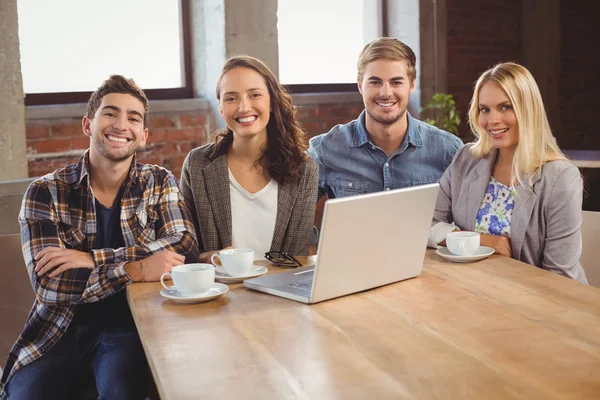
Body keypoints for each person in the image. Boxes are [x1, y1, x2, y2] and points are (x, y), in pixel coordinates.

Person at [0, 75, 200, 399]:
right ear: (87, 124)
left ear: (144, 135)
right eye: (110, 113)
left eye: (133, 117)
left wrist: (93, 258)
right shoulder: (45, 191)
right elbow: (50, 284)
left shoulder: (159, 182)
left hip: (127, 330)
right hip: (55, 332)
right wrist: (135, 269)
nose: (121, 124)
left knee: (122, 391)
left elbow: (185, 248)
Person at [428, 62, 587, 283]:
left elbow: (560, 278)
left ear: (528, 110)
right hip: (473, 292)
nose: (492, 120)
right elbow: (428, 223)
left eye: (505, 107)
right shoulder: (466, 159)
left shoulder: (560, 178)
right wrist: (483, 240)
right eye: (485, 109)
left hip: (541, 302)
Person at [180, 56, 318, 263]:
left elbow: (297, 255)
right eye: (231, 98)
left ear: (271, 101)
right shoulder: (197, 164)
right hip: (220, 290)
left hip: (281, 290)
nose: (244, 108)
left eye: (254, 95)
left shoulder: (304, 169)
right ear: (220, 107)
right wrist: (206, 257)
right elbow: (185, 248)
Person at [308, 37, 463, 200]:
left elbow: (467, 220)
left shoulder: (449, 151)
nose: (386, 93)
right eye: (375, 82)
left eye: (396, 82)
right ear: (360, 85)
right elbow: (295, 219)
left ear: (411, 85)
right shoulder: (325, 150)